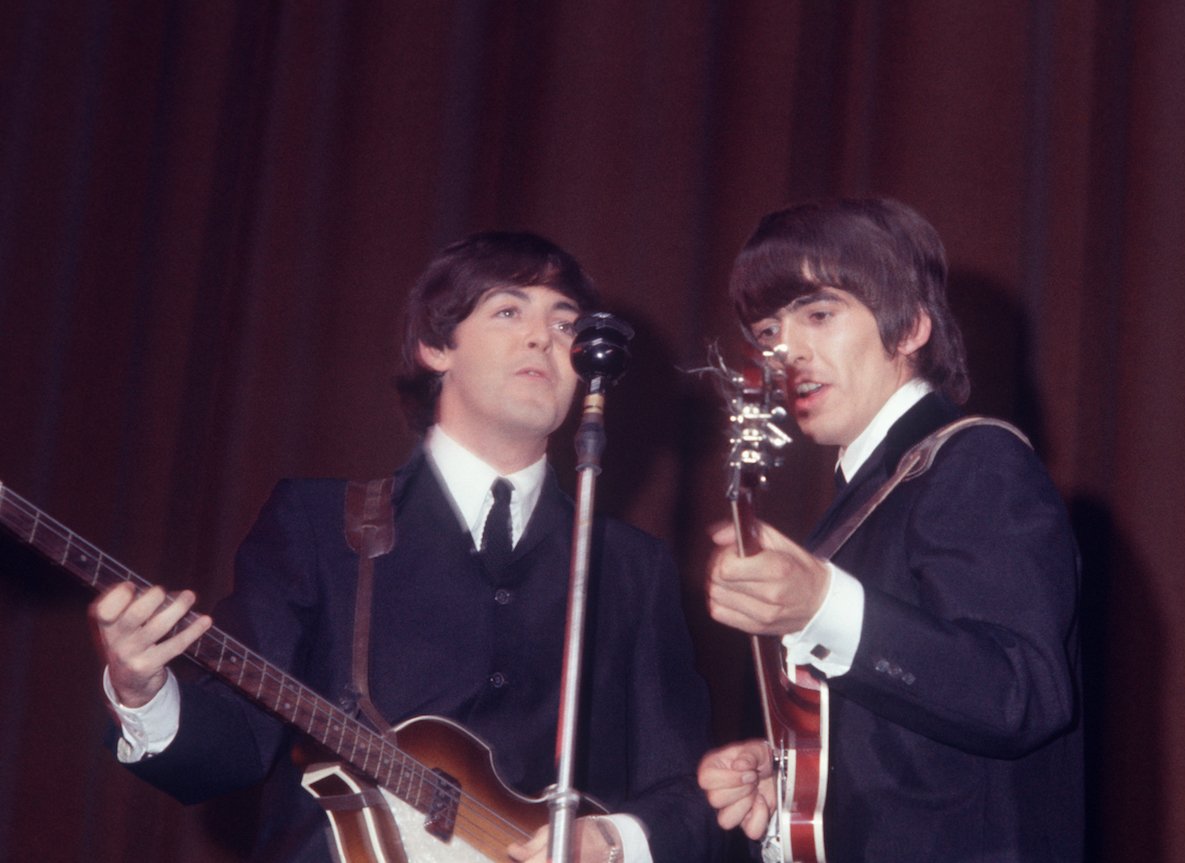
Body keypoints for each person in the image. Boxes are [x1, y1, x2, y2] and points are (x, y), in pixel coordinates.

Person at [92, 231, 721, 863]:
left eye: (565, 325)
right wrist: (142, 692)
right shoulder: (318, 525)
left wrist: (615, 838)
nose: (542, 337)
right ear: (434, 346)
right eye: (508, 311)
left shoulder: (632, 567)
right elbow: (229, 750)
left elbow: (687, 791)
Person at [697, 198, 1083, 862]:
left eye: (818, 313)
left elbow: (1019, 691)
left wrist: (822, 604)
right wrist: (791, 772)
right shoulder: (858, 505)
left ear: (908, 328)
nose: (787, 351)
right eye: (767, 332)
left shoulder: (975, 460)